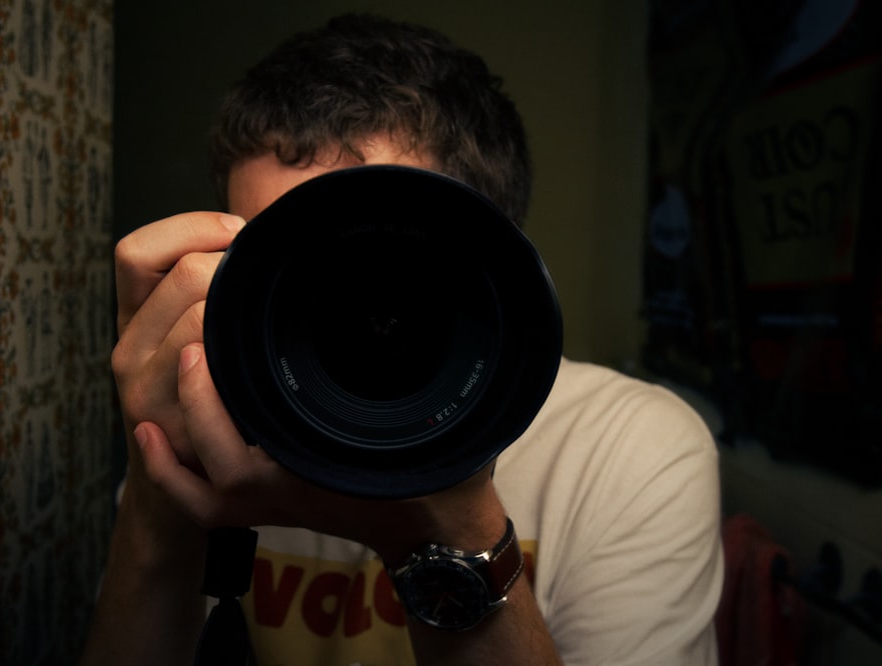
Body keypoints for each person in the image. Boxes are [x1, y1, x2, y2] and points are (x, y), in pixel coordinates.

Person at [81, 14, 723, 665]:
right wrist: (156, 481)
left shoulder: (627, 449)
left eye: (383, 270)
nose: (351, 309)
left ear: (490, 265)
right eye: (294, 267)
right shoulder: (210, 416)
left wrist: (446, 525)